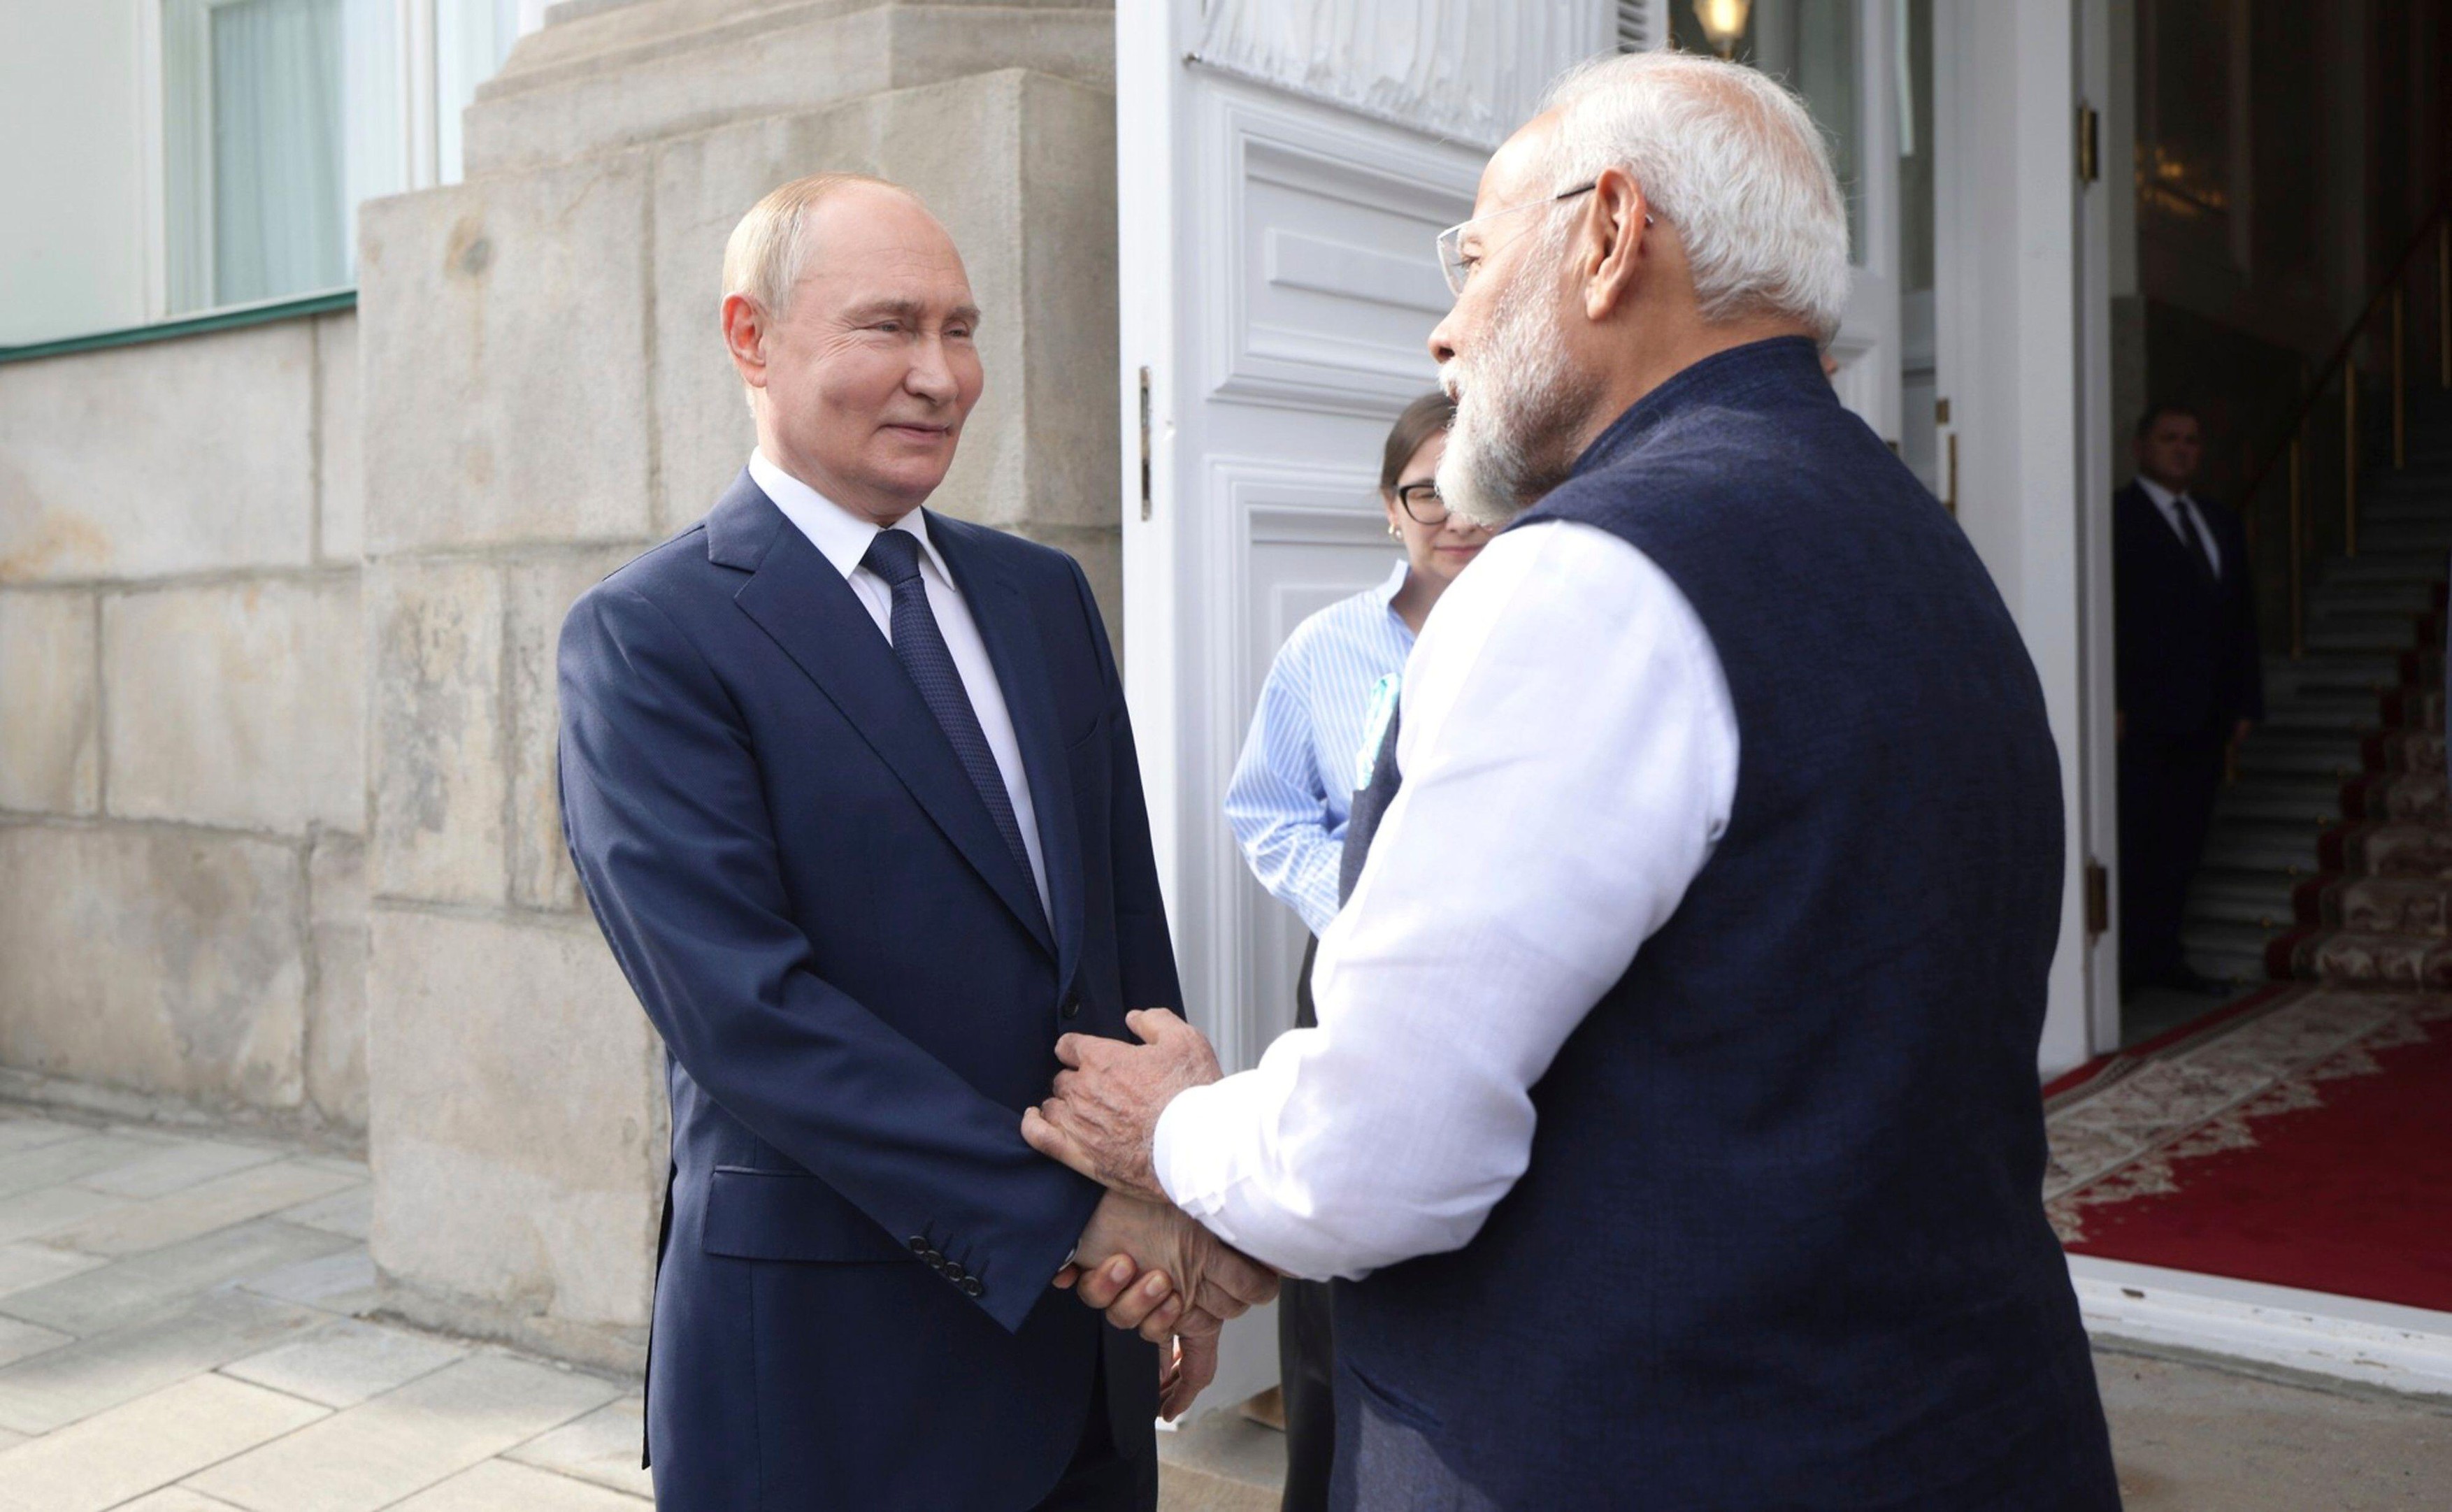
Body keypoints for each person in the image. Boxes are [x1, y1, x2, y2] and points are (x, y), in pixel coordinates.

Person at [1023, 50, 2120, 1511]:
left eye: (1474, 258)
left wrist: (1165, 1129)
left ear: (1605, 236)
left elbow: (1381, 1157)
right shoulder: (1925, 547)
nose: (1444, 329)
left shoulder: (1586, 576)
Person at [555, 172, 1273, 1511]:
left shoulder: (1041, 594)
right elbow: (749, 1015)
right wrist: (1082, 1222)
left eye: (962, 327)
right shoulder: (650, 637)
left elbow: (1117, 928)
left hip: (1085, 1369)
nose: (939, 375)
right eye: (889, 326)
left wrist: (1180, 1202)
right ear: (750, 338)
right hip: (833, 1378)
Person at [1221, 390, 1477, 1512]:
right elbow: (1268, 806)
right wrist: (1360, 901)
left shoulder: (1553, 637)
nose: (1452, 515)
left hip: (1502, 985)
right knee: (1332, 1250)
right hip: (1352, 980)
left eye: (1476, 489)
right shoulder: (1324, 648)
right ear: (1389, 508)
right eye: (1426, 491)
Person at [2114, 403, 2263, 995]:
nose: (2182, 449)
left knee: (2183, 843)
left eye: (2192, 440)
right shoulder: (2116, 517)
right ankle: (2121, 965)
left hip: (2207, 714)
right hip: (2142, 715)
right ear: (2140, 447)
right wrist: (2113, 700)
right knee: (2135, 838)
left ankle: (2162, 956)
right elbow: (2114, 620)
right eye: (2169, 438)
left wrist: (2246, 702)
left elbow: (2240, 619)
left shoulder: (2218, 520)